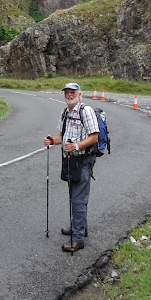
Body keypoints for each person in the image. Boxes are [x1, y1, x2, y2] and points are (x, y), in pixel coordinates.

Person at [44, 83, 99, 253]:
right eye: (67, 92)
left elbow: (94, 137)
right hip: (70, 161)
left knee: (78, 199)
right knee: (74, 195)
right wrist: (52, 141)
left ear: (79, 94)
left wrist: (75, 146)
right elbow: (62, 136)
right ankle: (80, 227)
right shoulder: (65, 112)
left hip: (83, 160)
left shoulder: (86, 111)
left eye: (72, 92)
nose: (69, 95)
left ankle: (78, 239)